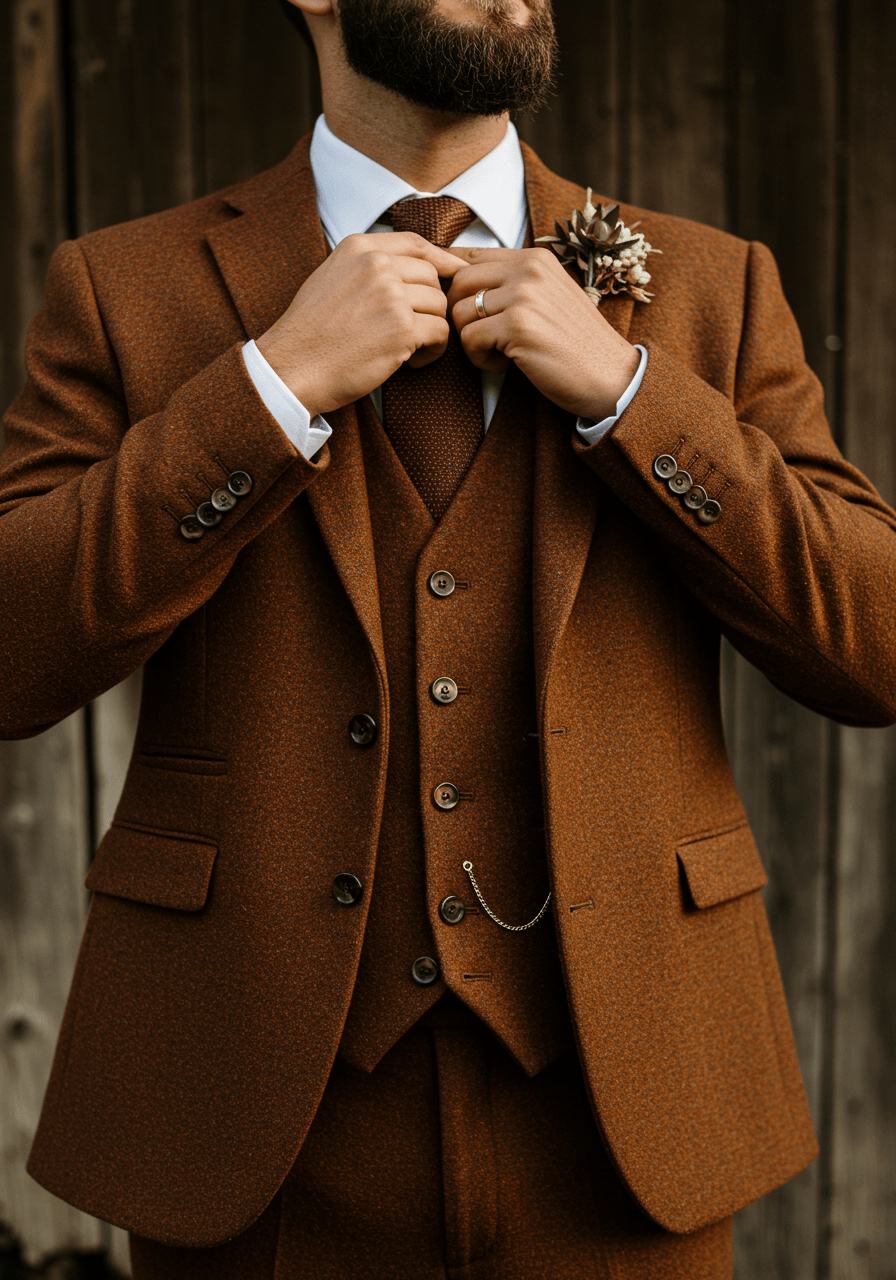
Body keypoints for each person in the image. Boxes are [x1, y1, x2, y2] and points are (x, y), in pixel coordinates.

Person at [2, 0, 895, 1275]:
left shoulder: (707, 282)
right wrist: (270, 388)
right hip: (253, 1116)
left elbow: (874, 639)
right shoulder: (124, 288)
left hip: (623, 1107)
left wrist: (632, 398)